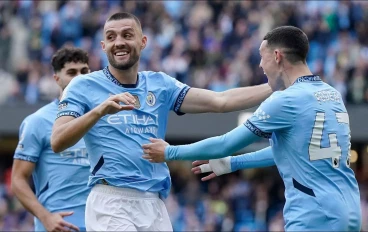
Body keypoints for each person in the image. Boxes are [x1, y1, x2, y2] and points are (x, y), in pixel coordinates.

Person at [51, 12, 272, 231]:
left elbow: (220, 101)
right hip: (111, 200)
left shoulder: (160, 84)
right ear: (103, 45)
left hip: (154, 203)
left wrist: (276, 86)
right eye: (111, 37)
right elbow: (58, 140)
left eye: (127, 35)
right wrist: (99, 111)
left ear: (143, 41)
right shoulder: (83, 86)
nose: (119, 42)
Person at [142, 26, 362, 231]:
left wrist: (169, 152)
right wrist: (232, 163)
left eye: (262, 56)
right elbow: (289, 151)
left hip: (314, 212)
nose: (260, 65)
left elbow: (225, 143)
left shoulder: (285, 100)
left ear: (277, 56)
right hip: (349, 208)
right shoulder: (331, 94)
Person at [12, 47, 91, 232]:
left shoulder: (102, 117)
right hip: (60, 225)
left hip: (102, 222)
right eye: (71, 72)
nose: (79, 77)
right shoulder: (38, 121)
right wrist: (45, 217)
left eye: (84, 71)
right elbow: (18, 179)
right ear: (57, 78)